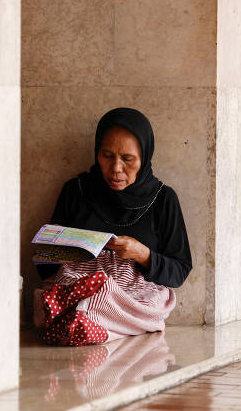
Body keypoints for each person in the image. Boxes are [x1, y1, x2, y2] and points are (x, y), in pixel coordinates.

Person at [34, 107, 192, 346]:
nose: (116, 168)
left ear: (144, 157)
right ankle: (86, 317)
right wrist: (54, 245)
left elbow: (179, 271)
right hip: (79, 285)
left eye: (128, 159)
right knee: (65, 289)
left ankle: (91, 322)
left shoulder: (162, 199)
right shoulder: (76, 191)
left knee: (149, 302)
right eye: (107, 156)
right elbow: (45, 269)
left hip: (131, 299)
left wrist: (143, 254)